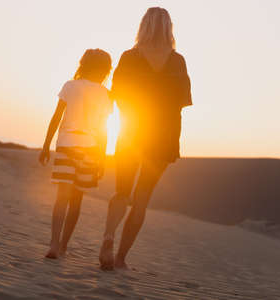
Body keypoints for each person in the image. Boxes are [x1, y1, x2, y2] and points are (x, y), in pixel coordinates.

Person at [99, 7, 193, 270]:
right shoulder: (177, 61)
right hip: (163, 136)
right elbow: (183, 101)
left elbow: (116, 93)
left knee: (121, 192)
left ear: (143, 27)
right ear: (168, 28)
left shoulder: (129, 57)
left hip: (131, 132)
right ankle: (120, 258)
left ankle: (108, 236)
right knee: (141, 199)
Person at [39, 49, 113, 259]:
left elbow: (56, 118)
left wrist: (46, 146)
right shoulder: (106, 94)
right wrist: (101, 158)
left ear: (83, 64)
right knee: (77, 200)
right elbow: (102, 129)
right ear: (106, 70)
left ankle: (53, 243)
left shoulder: (70, 86)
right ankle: (63, 247)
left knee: (62, 197)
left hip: (66, 145)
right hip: (90, 148)